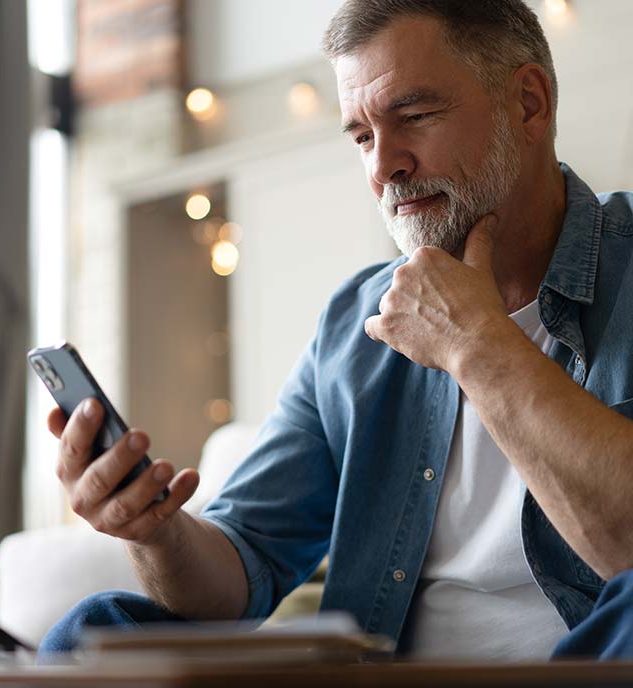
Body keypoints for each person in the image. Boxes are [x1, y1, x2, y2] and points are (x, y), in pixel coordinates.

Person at [39, 0, 633, 659]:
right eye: (361, 137)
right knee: (98, 626)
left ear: (528, 104)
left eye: (413, 116)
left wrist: (477, 345)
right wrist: (153, 532)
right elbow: (242, 571)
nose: (384, 168)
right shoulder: (357, 323)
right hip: (376, 679)